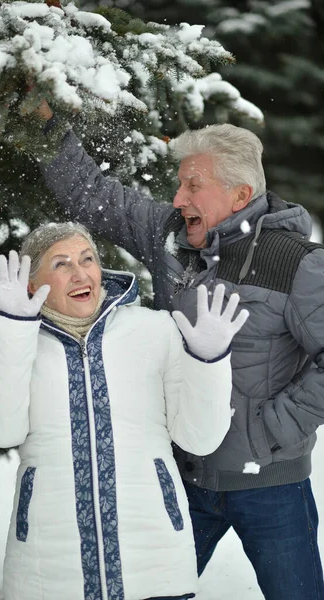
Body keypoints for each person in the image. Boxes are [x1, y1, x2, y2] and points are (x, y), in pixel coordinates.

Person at [37, 108, 324, 600]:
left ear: (239, 195)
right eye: (179, 186)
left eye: (193, 186)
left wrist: (272, 429)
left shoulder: (296, 262)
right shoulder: (170, 234)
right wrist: (44, 124)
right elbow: (91, 194)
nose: (178, 199)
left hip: (271, 488)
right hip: (183, 481)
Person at [0, 222, 248, 600]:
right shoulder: (20, 342)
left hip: (155, 564)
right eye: (61, 264)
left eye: (87, 259)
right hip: (48, 573)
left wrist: (208, 362)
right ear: (32, 286)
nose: (79, 272)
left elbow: (199, 439)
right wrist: (12, 327)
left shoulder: (154, 330)